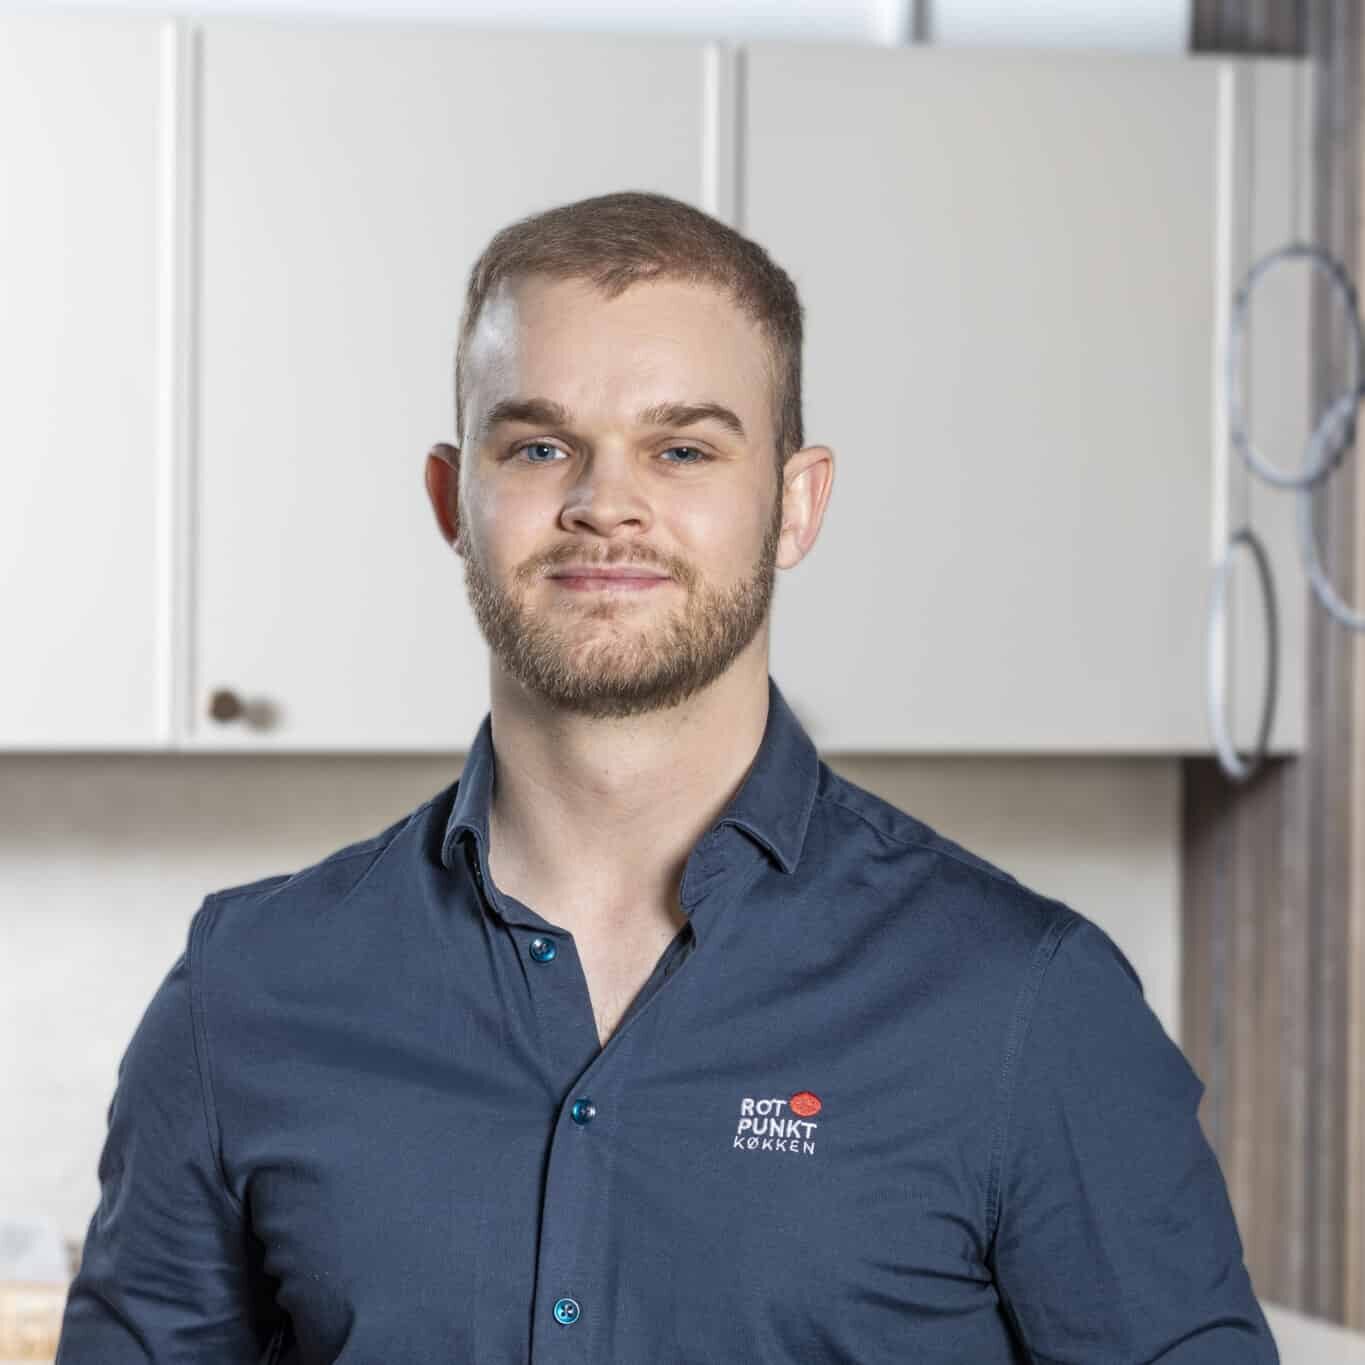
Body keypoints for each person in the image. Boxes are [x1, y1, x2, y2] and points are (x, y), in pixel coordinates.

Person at [57, 189, 1279, 1363]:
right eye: (540, 446)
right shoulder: (245, 995)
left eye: (683, 448)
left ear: (795, 505)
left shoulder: (1027, 1008)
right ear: (452, 498)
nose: (606, 506)